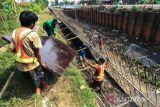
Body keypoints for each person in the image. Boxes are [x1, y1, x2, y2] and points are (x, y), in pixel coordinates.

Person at [10, 10, 50, 95]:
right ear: (32, 23)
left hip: (19, 62)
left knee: (30, 75)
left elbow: (12, 49)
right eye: (35, 22)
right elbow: (37, 52)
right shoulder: (33, 34)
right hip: (31, 62)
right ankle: (39, 86)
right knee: (38, 74)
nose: (35, 24)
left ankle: (37, 86)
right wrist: (40, 62)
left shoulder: (14, 32)